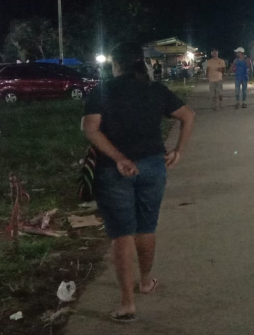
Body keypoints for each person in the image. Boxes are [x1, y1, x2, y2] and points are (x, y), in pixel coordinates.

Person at [82, 42, 195, 324]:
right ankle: (145, 282)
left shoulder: (103, 90)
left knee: (122, 234)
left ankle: (127, 304)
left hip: (114, 170)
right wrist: (179, 150)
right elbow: (188, 116)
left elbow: (90, 128)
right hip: (153, 165)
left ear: (115, 64)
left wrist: (119, 158)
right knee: (146, 226)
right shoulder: (154, 89)